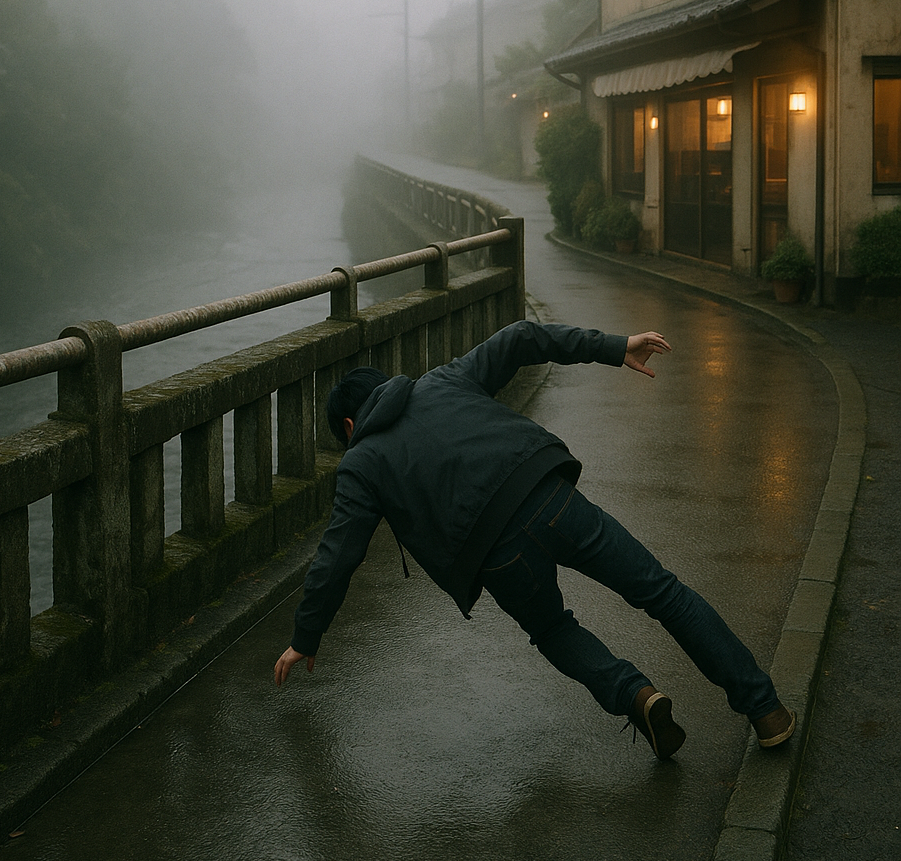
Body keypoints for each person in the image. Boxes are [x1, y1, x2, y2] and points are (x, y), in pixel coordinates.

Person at [273, 320, 795, 759]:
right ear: (387, 385)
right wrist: (616, 347)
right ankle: (765, 711)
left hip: (497, 556)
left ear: (349, 425)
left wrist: (305, 637)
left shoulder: (360, 464)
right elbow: (521, 337)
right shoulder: (442, 381)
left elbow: (337, 556)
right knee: (661, 592)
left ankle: (636, 695)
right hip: (550, 498)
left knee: (552, 628)